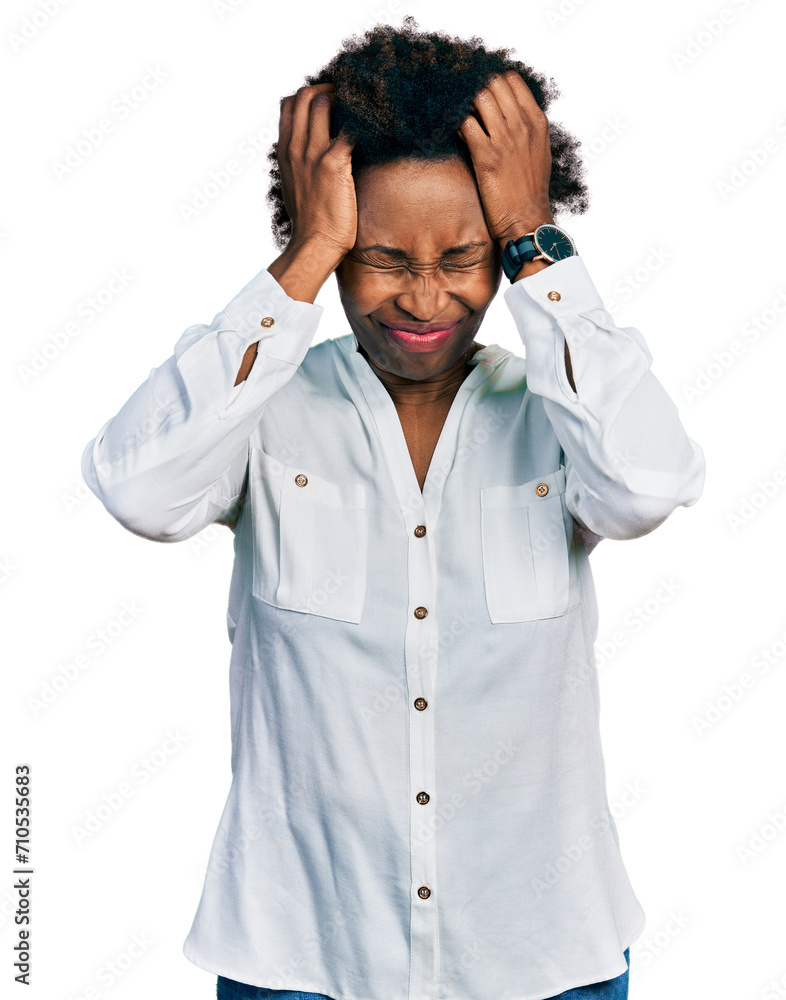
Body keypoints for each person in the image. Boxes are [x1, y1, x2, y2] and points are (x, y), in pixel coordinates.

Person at [80, 16, 705, 1000]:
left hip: (543, 961)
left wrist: (537, 241)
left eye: (462, 257)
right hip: (299, 956)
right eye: (378, 257)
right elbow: (134, 485)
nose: (423, 299)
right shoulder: (264, 412)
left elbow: (651, 483)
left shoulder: (564, 415)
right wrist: (307, 248)